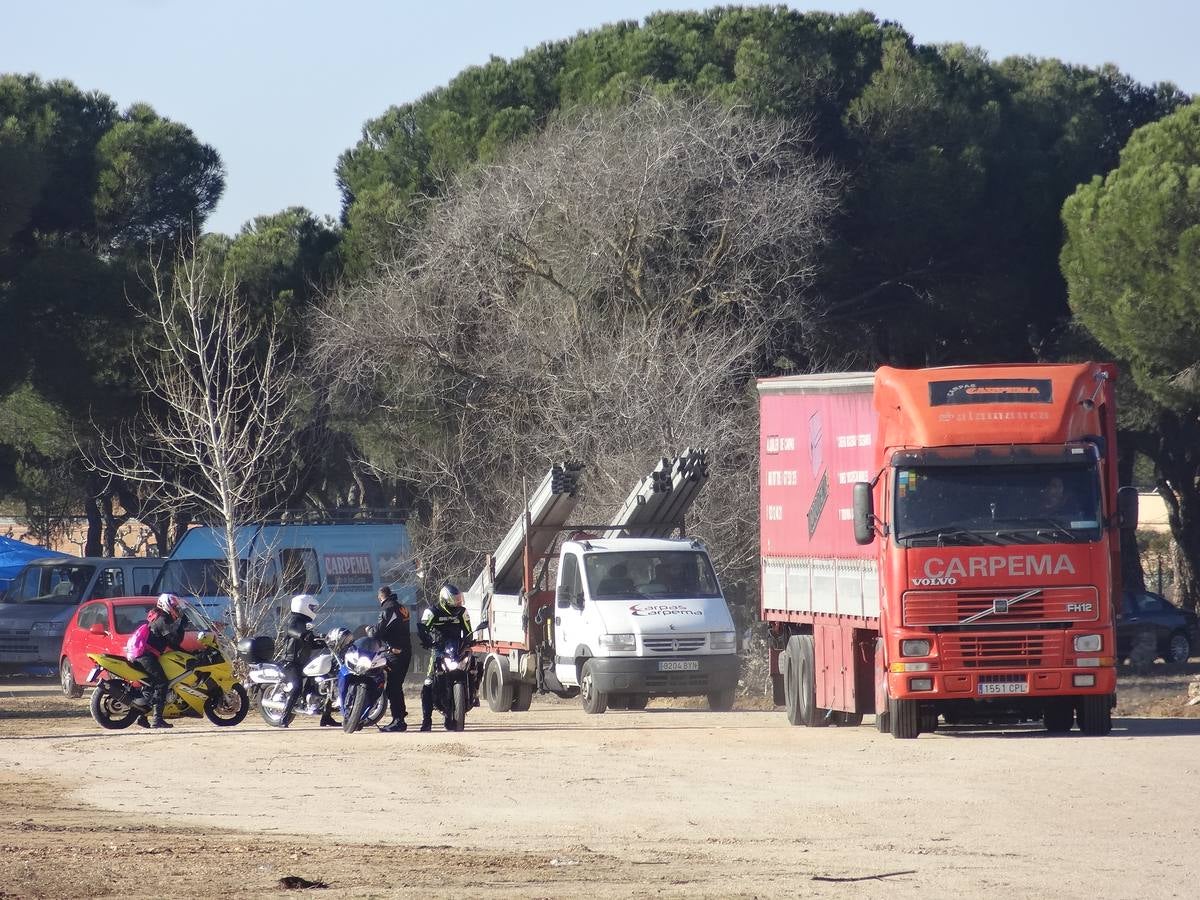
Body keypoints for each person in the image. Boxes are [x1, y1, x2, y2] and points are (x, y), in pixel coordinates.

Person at [126, 593, 187, 728]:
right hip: (146, 656)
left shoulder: (158, 618)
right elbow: (175, 639)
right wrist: (181, 623)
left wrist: (188, 653)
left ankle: (142, 717)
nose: (177, 609)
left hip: (143, 656)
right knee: (162, 683)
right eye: (175, 607)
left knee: (149, 685)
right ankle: (157, 719)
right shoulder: (163, 619)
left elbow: (171, 643)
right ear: (167, 606)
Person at [417, 583, 472, 732]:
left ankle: (472, 695)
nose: (457, 603)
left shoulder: (462, 612)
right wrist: (427, 641)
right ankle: (426, 721)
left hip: (457, 651)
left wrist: (469, 642)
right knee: (428, 684)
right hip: (439, 651)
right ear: (444, 599)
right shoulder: (432, 612)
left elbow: (469, 631)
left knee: (473, 669)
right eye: (454, 600)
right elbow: (423, 629)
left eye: (458, 599)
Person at [278, 593, 335, 726]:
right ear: (303, 606)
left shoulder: (305, 623)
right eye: (311, 607)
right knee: (297, 686)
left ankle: (326, 717)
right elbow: (291, 630)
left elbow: (310, 642)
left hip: (303, 663)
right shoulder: (294, 620)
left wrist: (326, 642)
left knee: (328, 682)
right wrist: (303, 635)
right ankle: (284, 718)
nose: (313, 610)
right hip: (290, 663)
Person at [375, 585, 413, 732]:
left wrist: (369, 630)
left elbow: (378, 631)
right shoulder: (402, 608)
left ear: (380, 597)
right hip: (405, 650)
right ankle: (400, 715)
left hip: (395, 652)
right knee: (397, 686)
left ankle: (398, 721)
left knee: (393, 688)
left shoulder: (388, 609)